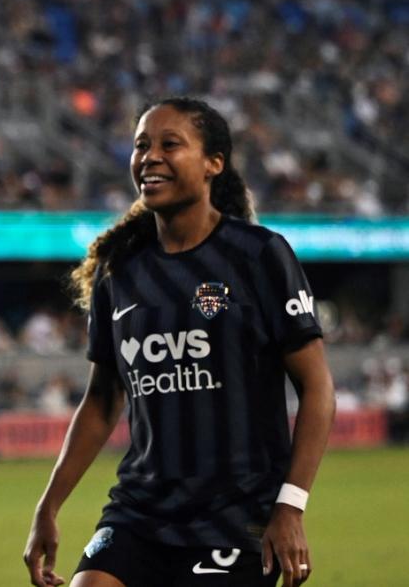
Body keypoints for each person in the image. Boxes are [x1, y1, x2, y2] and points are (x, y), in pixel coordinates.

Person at [23, 97, 336, 587]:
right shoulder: (119, 269)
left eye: (171, 144)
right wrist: (49, 506)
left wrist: (290, 506)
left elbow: (317, 387)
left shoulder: (258, 256)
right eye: (141, 145)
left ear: (214, 163)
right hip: (138, 514)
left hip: (235, 519)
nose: (149, 156)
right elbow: (102, 400)